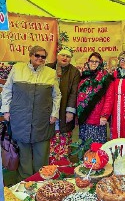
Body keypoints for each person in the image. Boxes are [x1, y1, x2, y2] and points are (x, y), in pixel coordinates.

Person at [1, 45, 61, 181]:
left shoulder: (50, 73)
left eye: (43, 56)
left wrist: (54, 113)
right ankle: (25, 181)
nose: (40, 58)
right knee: (23, 151)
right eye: (37, 55)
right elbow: (7, 90)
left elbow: (57, 95)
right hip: (20, 117)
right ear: (30, 55)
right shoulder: (17, 69)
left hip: (42, 119)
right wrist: (6, 110)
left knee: (42, 150)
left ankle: (41, 180)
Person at [46, 49, 80, 164]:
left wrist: (70, 111)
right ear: (57, 56)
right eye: (63, 55)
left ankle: (63, 166)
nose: (65, 58)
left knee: (64, 135)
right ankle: (49, 168)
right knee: (48, 137)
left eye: (68, 56)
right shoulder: (47, 68)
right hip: (48, 109)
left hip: (65, 108)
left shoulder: (74, 72)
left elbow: (74, 93)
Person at [77, 52, 114, 144]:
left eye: (96, 62)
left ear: (100, 63)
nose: (93, 63)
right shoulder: (83, 77)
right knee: (84, 145)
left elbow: (109, 99)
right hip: (84, 118)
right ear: (88, 62)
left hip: (98, 119)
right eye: (91, 61)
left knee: (96, 147)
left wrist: (104, 116)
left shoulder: (106, 78)